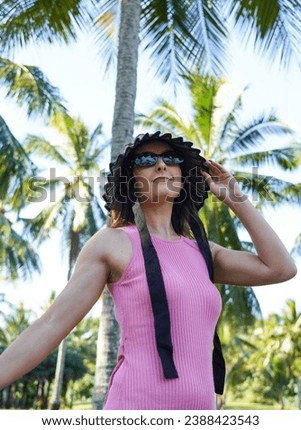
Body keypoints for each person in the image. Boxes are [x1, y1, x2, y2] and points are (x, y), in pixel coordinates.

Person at [0, 131, 297, 410]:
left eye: (171, 159)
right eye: (146, 160)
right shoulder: (112, 244)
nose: (160, 165)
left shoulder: (206, 252)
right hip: (133, 409)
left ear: (183, 177)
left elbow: (280, 268)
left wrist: (236, 198)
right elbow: (51, 324)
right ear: (131, 181)